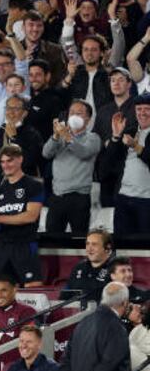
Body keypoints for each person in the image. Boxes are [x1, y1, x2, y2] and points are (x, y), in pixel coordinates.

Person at [0, 145, 44, 288]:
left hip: (25, 246)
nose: (6, 165)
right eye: (2, 162)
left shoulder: (34, 185)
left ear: (20, 160)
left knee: (33, 290)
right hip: (2, 248)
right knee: (3, 290)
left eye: (9, 161)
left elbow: (30, 216)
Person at [41, 100, 100, 233]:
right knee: (52, 240)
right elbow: (46, 153)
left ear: (88, 118)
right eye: (71, 113)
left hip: (79, 198)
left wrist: (67, 137)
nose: (74, 116)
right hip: (57, 197)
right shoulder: (60, 137)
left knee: (79, 240)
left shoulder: (93, 138)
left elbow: (83, 153)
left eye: (79, 113)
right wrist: (56, 135)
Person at [102, 99, 150, 235]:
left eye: (147, 109)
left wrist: (136, 146)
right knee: (122, 245)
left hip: (147, 200)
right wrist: (116, 136)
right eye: (139, 109)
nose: (143, 113)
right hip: (123, 197)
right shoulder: (129, 132)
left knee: (145, 249)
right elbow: (109, 162)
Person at [0, 274, 38, 348]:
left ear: (14, 290)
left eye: (3, 290)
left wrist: (0, 336)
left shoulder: (27, 312)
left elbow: (25, 344)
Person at [63, 229, 115, 301]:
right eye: (87, 244)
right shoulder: (78, 268)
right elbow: (64, 296)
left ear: (107, 248)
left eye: (94, 244)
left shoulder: (116, 269)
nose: (89, 248)